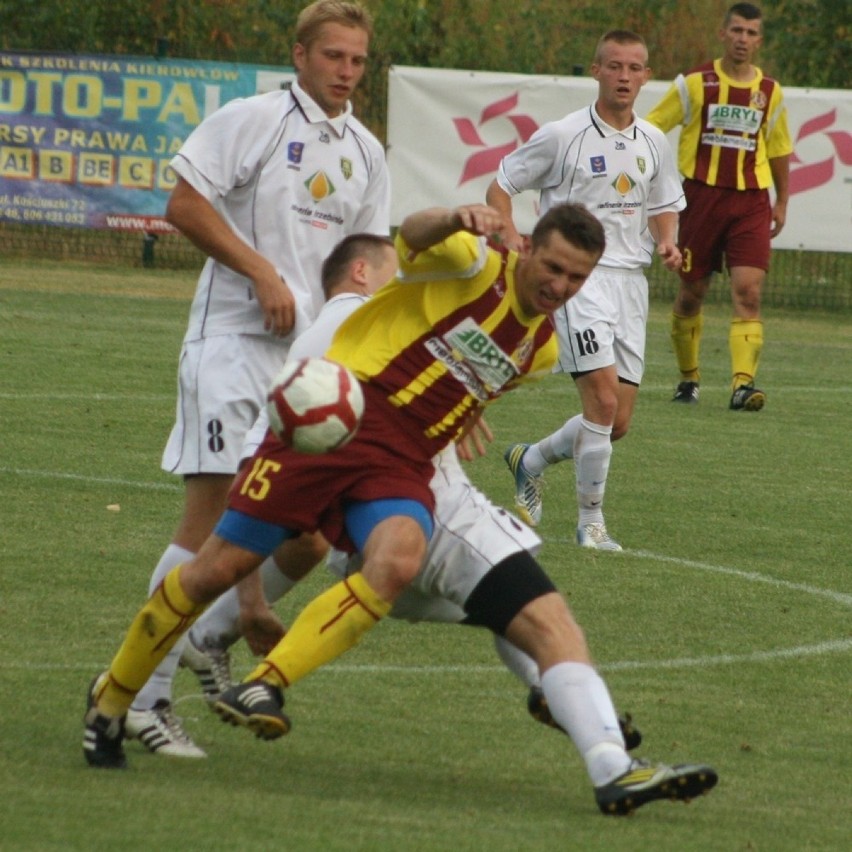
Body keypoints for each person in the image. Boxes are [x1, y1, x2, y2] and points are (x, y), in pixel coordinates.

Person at [84, 202, 718, 816]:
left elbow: (462, 382)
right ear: (527, 247)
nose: (559, 285)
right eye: (551, 267)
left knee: (398, 558)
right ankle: (111, 700)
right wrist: (453, 216)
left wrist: (457, 414)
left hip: (401, 462)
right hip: (337, 422)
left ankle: (266, 683)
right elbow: (411, 235)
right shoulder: (473, 262)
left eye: (575, 277)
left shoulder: (540, 350)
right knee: (214, 570)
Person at [123, 0, 390, 757]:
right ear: (301, 55)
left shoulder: (367, 152)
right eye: (333, 56)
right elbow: (182, 202)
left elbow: (367, 264)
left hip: (308, 368)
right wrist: (261, 270)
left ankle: (208, 639)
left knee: (307, 534)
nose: (345, 71)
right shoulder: (257, 119)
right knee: (210, 525)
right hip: (232, 345)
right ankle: (143, 698)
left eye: (358, 60)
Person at [486, 30, 684, 549]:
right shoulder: (563, 135)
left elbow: (665, 204)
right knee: (599, 400)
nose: (624, 76)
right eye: (614, 66)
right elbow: (502, 184)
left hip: (631, 286)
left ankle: (530, 459)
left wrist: (667, 242)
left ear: (646, 75)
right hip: (580, 282)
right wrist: (510, 235)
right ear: (595, 71)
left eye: (634, 67)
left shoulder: (654, 142)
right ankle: (590, 523)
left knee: (616, 423)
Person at [645, 3, 792, 410]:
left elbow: (779, 148)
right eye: (738, 31)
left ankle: (742, 385)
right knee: (692, 292)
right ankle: (688, 379)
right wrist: (655, 178)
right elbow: (653, 127)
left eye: (751, 33)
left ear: (759, 40)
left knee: (748, 290)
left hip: (750, 201)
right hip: (701, 198)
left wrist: (783, 200)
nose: (744, 39)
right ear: (724, 34)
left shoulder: (770, 92)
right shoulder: (694, 83)